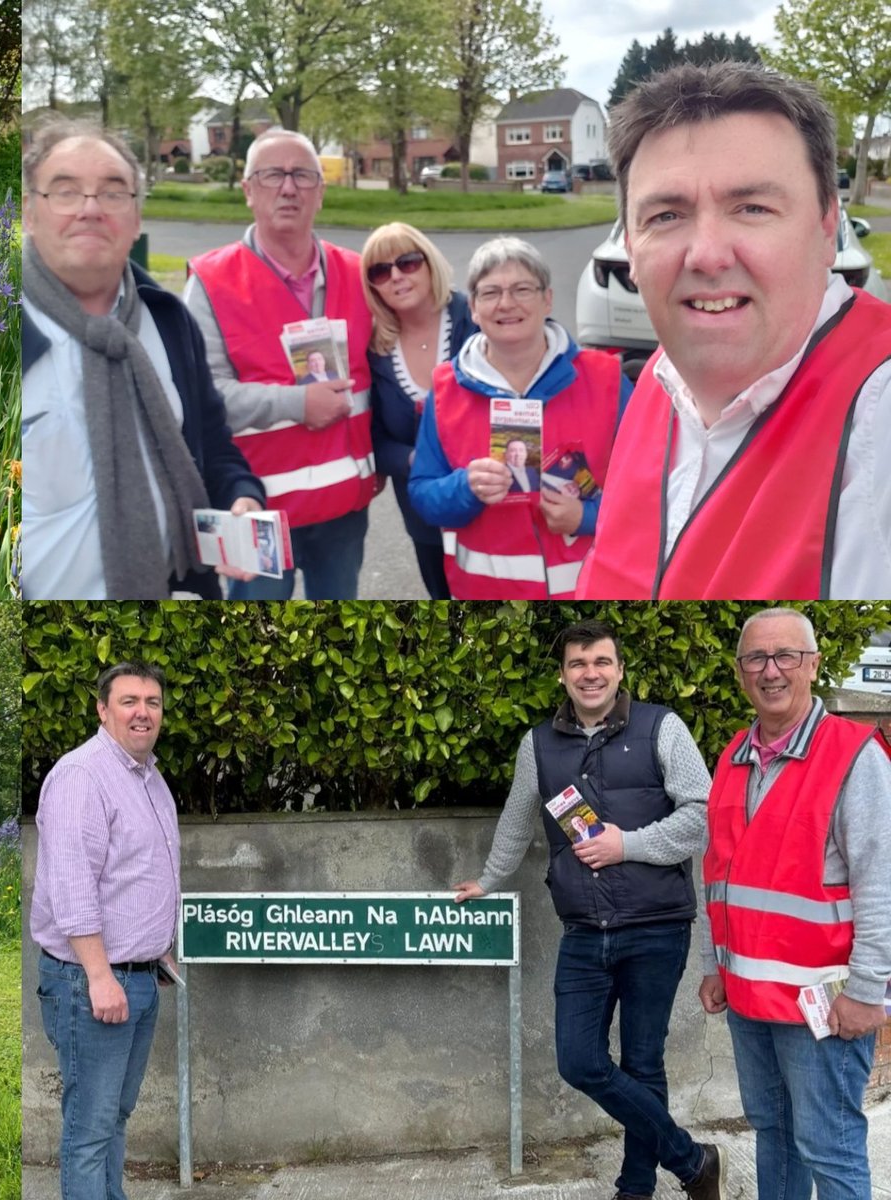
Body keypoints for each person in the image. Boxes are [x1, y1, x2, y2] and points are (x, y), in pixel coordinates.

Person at [577, 62, 891, 599]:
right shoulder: (660, 377)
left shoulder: (877, 416)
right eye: (666, 216)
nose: (706, 255)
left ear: (825, 226)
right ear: (631, 246)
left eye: (752, 207)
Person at [453, 619, 724, 1200]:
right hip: (583, 932)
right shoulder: (539, 744)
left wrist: (626, 843)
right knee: (579, 1062)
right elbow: (516, 815)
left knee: (645, 1062)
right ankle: (691, 1158)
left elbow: (702, 814)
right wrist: (492, 879)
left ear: (619, 669)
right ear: (564, 675)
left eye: (601, 661)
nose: (590, 673)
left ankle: (635, 1187)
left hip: (656, 926)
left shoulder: (662, 727)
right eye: (578, 664)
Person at [21, 119, 265, 600]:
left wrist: (242, 497)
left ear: (136, 219)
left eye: (113, 193)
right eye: (66, 191)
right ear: (30, 212)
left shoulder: (168, 322)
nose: (90, 209)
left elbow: (214, 446)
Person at [699, 607, 891, 1199]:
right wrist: (714, 966)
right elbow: (716, 875)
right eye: (756, 657)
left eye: (786, 656)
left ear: (812, 665)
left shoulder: (855, 756)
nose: (771, 670)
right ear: (739, 672)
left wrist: (869, 990)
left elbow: (881, 881)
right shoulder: (734, 754)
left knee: (828, 1150)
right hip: (749, 998)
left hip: (825, 1007)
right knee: (774, 1136)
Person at [184, 129, 376, 599]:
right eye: (272, 175)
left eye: (303, 176)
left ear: (320, 192)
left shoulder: (360, 272)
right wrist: (295, 403)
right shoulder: (210, 280)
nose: (288, 188)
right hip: (255, 508)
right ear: (248, 190)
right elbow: (201, 397)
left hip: (343, 509)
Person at [31, 662, 181, 1200]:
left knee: (114, 1117)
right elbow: (72, 887)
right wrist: (100, 975)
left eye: (153, 702)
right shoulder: (82, 775)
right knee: (91, 1128)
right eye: (129, 701)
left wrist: (157, 949)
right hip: (92, 982)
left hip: (136, 978)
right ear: (102, 709)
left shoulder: (148, 776)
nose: (143, 712)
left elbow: (140, 874)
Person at [408, 237, 631, 598]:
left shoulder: (604, 380)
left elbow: (651, 489)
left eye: (522, 289)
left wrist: (587, 517)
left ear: (548, 299)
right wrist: (466, 488)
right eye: (490, 292)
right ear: (474, 309)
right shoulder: (446, 390)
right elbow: (422, 493)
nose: (506, 303)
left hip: (591, 593)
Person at [360, 221, 478, 599]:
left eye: (408, 262)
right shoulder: (375, 349)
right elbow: (373, 435)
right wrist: (415, 459)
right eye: (380, 271)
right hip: (423, 512)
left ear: (429, 264)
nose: (396, 276)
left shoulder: (475, 318)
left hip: (493, 500)